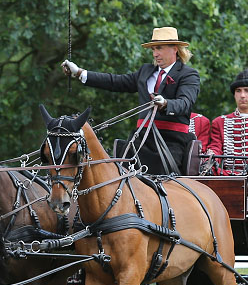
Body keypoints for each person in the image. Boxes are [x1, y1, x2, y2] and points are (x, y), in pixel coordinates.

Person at [61, 26, 199, 175]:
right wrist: (80, 73)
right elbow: (115, 81)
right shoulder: (145, 71)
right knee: (117, 170)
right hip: (142, 139)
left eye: (159, 48)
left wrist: (166, 104)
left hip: (171, 141)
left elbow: (185, 102)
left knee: (158, 170)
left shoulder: (189, 74)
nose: (155, 54)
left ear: (175, 49)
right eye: (153, 50)